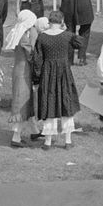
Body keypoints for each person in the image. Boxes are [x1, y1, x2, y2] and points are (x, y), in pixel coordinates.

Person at [33, 10, 83, 149]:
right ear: (61, 22)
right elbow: (80, 43)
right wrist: (66, 29)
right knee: (66, 102)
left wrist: (36, 78)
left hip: (48, 73)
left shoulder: (42, 37)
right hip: (63, 72)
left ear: (49, 22)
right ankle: (67, 141)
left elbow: (37, 60)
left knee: (49, 103)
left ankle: (48, 141)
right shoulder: (67, 36)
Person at [4, 8, 44, 148]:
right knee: (21, 104)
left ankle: (34, 131)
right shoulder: (23, 37)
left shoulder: (19, 32)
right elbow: (31, 54)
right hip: (23, 73)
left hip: (21, 71)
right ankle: (16, 137)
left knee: (27, 102)